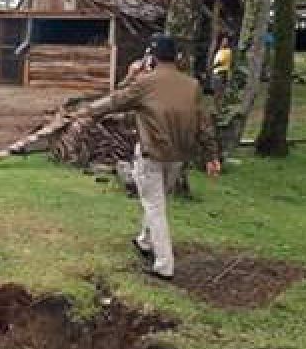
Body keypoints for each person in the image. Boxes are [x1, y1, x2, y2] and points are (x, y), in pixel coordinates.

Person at [76, 35, 221, 281]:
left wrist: (86, 111)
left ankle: (164, 265)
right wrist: (211, 155)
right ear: (176, 57)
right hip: (178, 156)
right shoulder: (193, 85)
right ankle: (145, 241)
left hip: (152, 154)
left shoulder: (145, 83)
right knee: (157, 201)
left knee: (155, 207)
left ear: (151, 57)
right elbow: (204, 125)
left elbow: (115, 101)